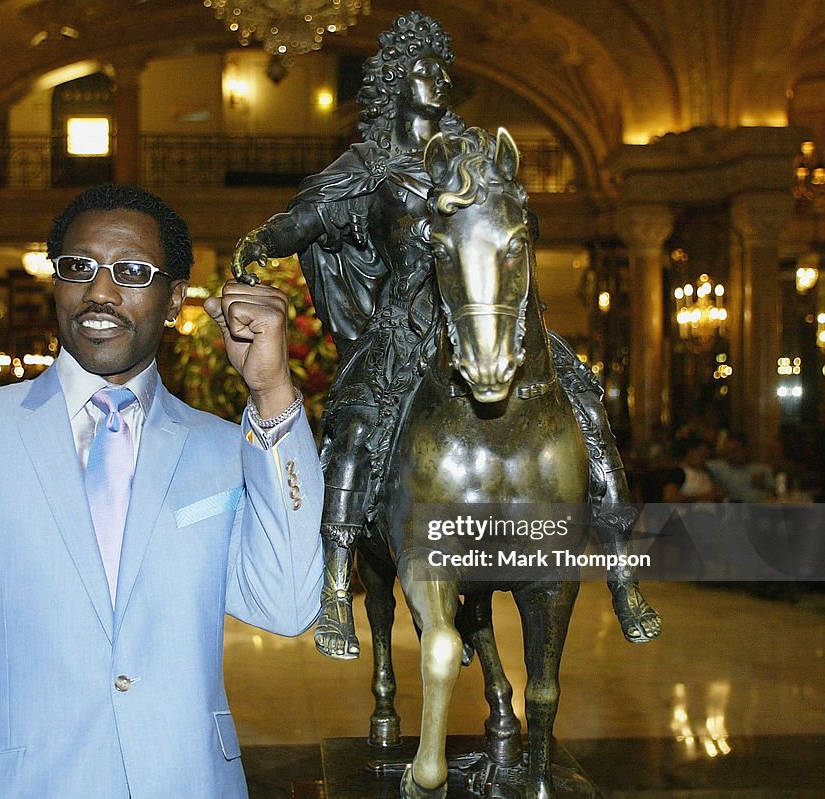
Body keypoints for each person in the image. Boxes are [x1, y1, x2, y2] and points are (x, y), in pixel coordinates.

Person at [0, 183, 324, 799]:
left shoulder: (223, 450)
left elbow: (288, 604)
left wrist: (272, 393)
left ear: (174, 299)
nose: (100, 291)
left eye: (131, 272)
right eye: (79, 267)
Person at [233, 12, 659, 658]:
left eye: (441, 69)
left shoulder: (474, 156)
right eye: (421, 69)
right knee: (355, 427)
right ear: (394, 83)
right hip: (404, 325)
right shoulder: (369, 166)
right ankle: (336, 587)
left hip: (488, 316)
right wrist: (264, 239)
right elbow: (310, 217)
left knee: (587, 408)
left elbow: (515, 218)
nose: (437, 79)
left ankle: (624, 576)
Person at [706, 432, 773, 502]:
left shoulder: (763, 469)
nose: (730, 456)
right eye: (727, 451)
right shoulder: (717, 467)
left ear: (745, 450)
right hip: (734, 506)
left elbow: (776, 494)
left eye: (734, 451)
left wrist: (763, 485)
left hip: (761, 506)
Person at [663, 437, 727, 502]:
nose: (704, 459)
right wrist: (702, 497)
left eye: (707, 456)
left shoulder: (706, 472)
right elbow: (669, 497)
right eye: (702, 454)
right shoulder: (679, 472)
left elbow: (719, 492)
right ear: (691, 452)